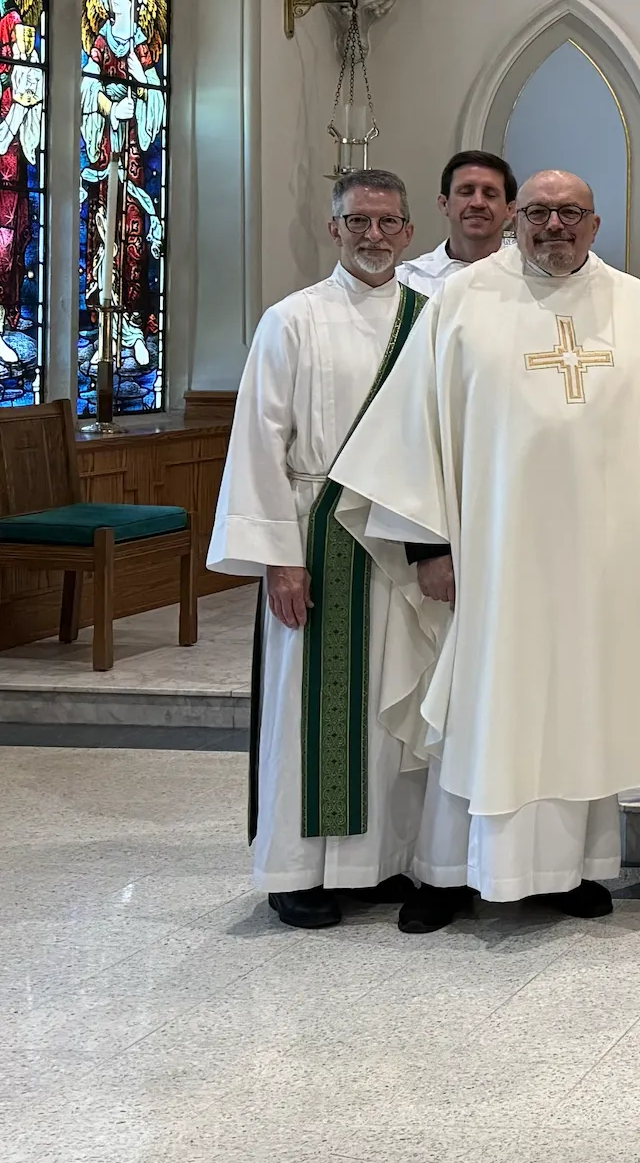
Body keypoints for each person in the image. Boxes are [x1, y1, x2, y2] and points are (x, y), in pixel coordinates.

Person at [331, 169, 640, 932]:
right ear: (518, 218)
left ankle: (572, 869)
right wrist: (428, 544)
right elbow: (413, 424)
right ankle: (447, 873)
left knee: (579, 705)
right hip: (491, 558)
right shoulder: (463, 299)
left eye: (571, 214)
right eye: (541, 213)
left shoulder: (638, 307)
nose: (555, 226)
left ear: (594, 223)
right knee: (481, 704)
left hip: (599, 563)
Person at [211, 170, 427, 928]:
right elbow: (259, 444)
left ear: (407, 232)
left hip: (402, 545)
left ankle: (382, 861)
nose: (373, 235)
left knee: (390, 709)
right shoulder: (292, 320)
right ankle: (299, 872)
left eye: (386, 222)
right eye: (357, 221)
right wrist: (280, 556)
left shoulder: (428, 319)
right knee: (312, 706)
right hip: (317, 533)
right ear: (333, 229)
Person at [397, 151, 515, 295]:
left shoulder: (529, 280)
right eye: (466, 192)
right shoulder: (407, 283)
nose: (478, 203)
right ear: (444, 204)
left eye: (490, 194)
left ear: (510, 209)